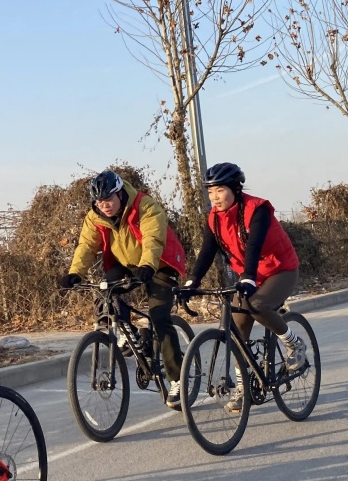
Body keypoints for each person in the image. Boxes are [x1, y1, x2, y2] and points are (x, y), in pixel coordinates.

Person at [58, 170, 188, 407]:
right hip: (127, 264)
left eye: (108, 199)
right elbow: (86, 246)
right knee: (104, 292)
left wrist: (148, 265)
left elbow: (153, 239)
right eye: (99, 202)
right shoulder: (95, 217)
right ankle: (129, 334)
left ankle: (177, 379)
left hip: (160, 263)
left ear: (119, 194)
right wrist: (75, 273)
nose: (104, 206)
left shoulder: (145, 206)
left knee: (159, 317)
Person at [182, 162, 305, 414]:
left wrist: (248, 276)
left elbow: (254, 246)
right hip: (249, 275)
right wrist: (192, 281)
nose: (215, 197)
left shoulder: (256, 209)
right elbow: (207, 252)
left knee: (257, 305)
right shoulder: (214, 218)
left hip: (280, 269)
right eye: (211, 192)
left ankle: (294, 343)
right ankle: (243, 388)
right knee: (237, 329)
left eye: (220, 190)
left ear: (235, 189)